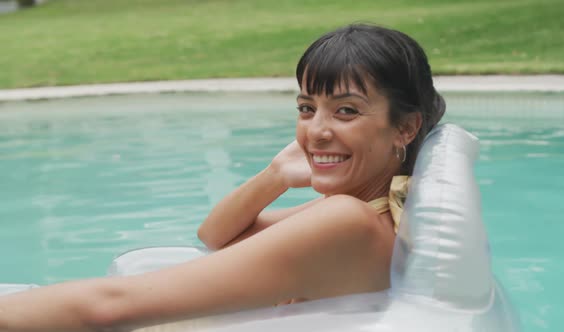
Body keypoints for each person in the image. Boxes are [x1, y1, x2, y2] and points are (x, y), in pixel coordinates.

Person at [0, 23, 445, 331]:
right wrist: (275, 175)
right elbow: (216, 235)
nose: (317, 130)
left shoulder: (349, 221)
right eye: (307, 108)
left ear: (404, 128)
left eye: (346, 110)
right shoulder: (373, 210)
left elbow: (109, 309)